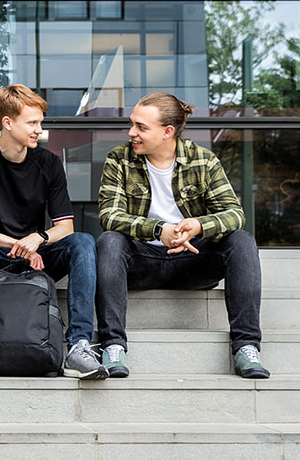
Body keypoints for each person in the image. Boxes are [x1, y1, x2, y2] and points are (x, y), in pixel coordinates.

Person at [96, 91, 270, 379]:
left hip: (193, 259)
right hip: (142, 261)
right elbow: (109, 216)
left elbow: (235, 214)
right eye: (132, 124)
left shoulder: (203, 160)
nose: (131, 133)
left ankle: (246, 347)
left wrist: (200, 226)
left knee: (241, 240)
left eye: (141, 127)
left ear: (167, 132)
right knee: (109, 241)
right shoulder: (119, 159)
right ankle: (113, 345)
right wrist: (158, 229)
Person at [0, 84, 106, 380]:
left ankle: (77, 345)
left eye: (39, 122)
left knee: (82, 241)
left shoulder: (49, 163)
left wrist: (38, 239)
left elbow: (65, 227)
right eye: (32, 123)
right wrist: (15, 243)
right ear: (8, 122)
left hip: (37, 258)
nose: (39, 130)